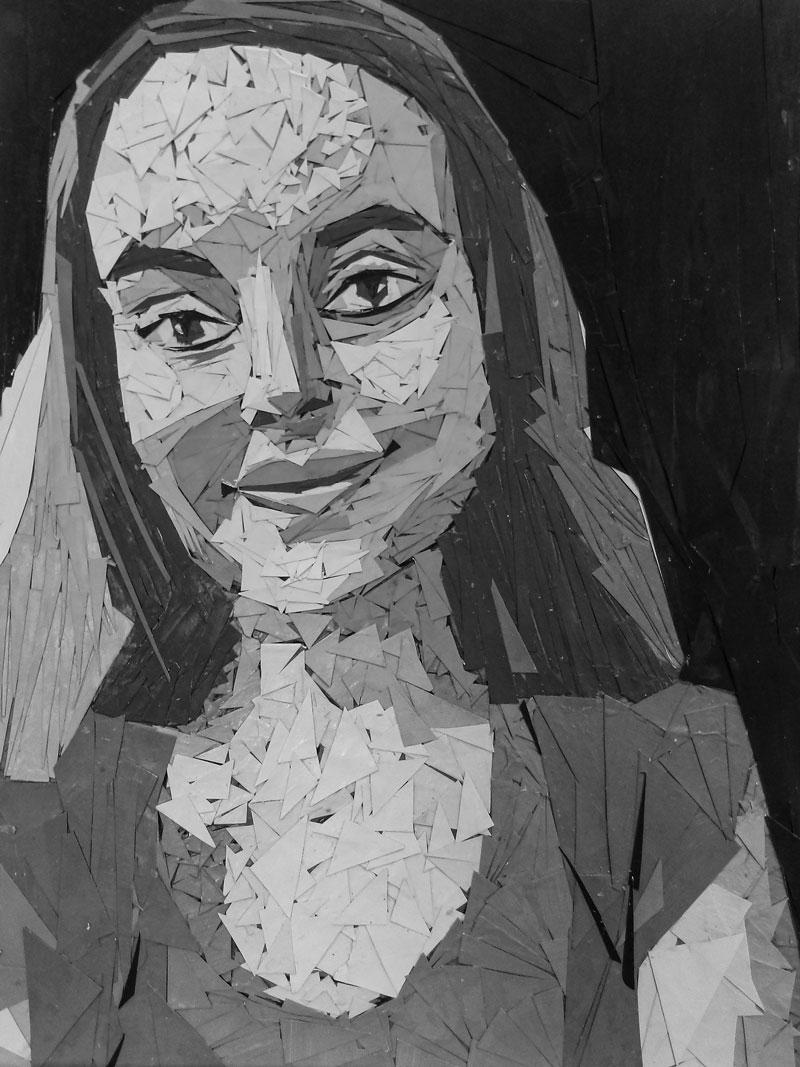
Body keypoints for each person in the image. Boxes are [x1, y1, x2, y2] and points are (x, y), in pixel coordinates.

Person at [0, 2, 794, 1064]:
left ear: (498, 312)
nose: (284, 384)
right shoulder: (41, 830)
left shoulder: (667, 780)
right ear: (102, 381)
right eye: (182, 323)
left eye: (371, 286)